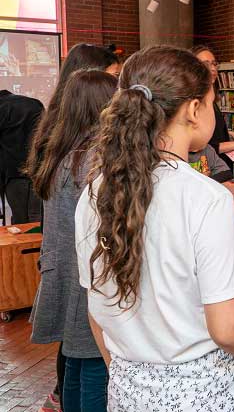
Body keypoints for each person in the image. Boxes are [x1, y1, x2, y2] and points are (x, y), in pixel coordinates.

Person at [74, 46, 234, 411]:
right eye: (212, 102)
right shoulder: (206, 197)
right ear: (194, 110)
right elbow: (228, 329)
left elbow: (97, 310)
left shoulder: (95, 190)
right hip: (204, 394)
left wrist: (130, 375)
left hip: (127, 389)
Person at [23, 42, 119, 412]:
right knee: (94, 363)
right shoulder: (93, 161)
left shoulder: (65, 150)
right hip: (86, 277)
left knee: (78, 362)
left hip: (66, 270)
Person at [191, 45, 234, 169]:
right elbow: (199, 145)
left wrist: (229, 134)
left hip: (220, 166)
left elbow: (206, 131)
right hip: (208, 171)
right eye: (206, 64)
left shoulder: (210, 99)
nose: (213, 69)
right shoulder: (194, 103)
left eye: (214, 64)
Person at [0, 89, 43, 224]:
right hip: (39, 170)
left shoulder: (2, 108)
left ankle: (23, 245)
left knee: (20, 219)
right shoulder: (35, 104)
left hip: (13, 173)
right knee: (38, 217)